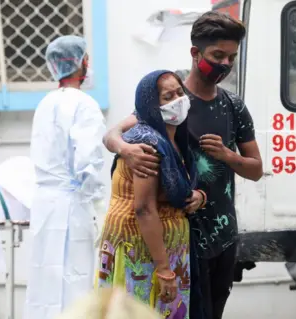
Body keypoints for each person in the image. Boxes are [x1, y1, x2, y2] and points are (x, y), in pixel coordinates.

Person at [102, 12, 263, 319]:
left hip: (223, 235)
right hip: (182, 240)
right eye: (218, 56)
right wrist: (127, 150)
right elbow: (113, 134)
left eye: (231, 57)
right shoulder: (170, 96)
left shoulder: (233, 106)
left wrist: (228, 156)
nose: (225, 65)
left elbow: (256, 170)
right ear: (195, 53)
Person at [96, 70, 203, 319]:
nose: (178, 100)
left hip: (168, 249)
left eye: (179, 92)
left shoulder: (176, 137)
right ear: (151, 105)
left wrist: (199, 195)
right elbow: (144, 209)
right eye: (168, 96)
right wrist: (164, 271)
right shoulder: (146, 145)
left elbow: (183, 185)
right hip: (143, 253)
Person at [24, 35, 106, 319]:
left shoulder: (45, 104)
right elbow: (88, 163)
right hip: (72, 205)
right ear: (83, 62)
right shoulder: (85, 105)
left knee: (44, 282)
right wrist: (99, 209)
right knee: (76, 282)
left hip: (45, 205)